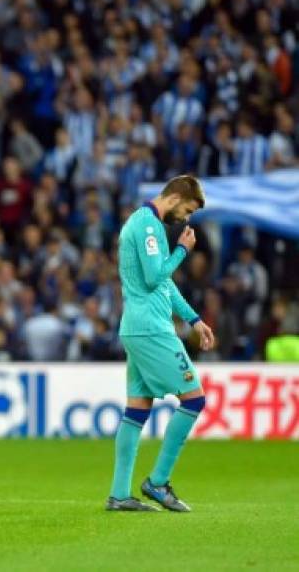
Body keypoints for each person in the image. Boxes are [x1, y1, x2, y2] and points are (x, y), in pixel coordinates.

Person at [107, 175, 216, 512]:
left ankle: (120, 494)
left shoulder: (141, 224)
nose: (186, 218)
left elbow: (162, 284)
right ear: (177, 196)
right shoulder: (150, 226)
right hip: (152, 329)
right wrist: (183, 249)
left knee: (136, 410)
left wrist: (195, 319)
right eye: (188, 209)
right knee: (194, 399)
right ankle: (157, 482)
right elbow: (157, 278)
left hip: (136, 327)